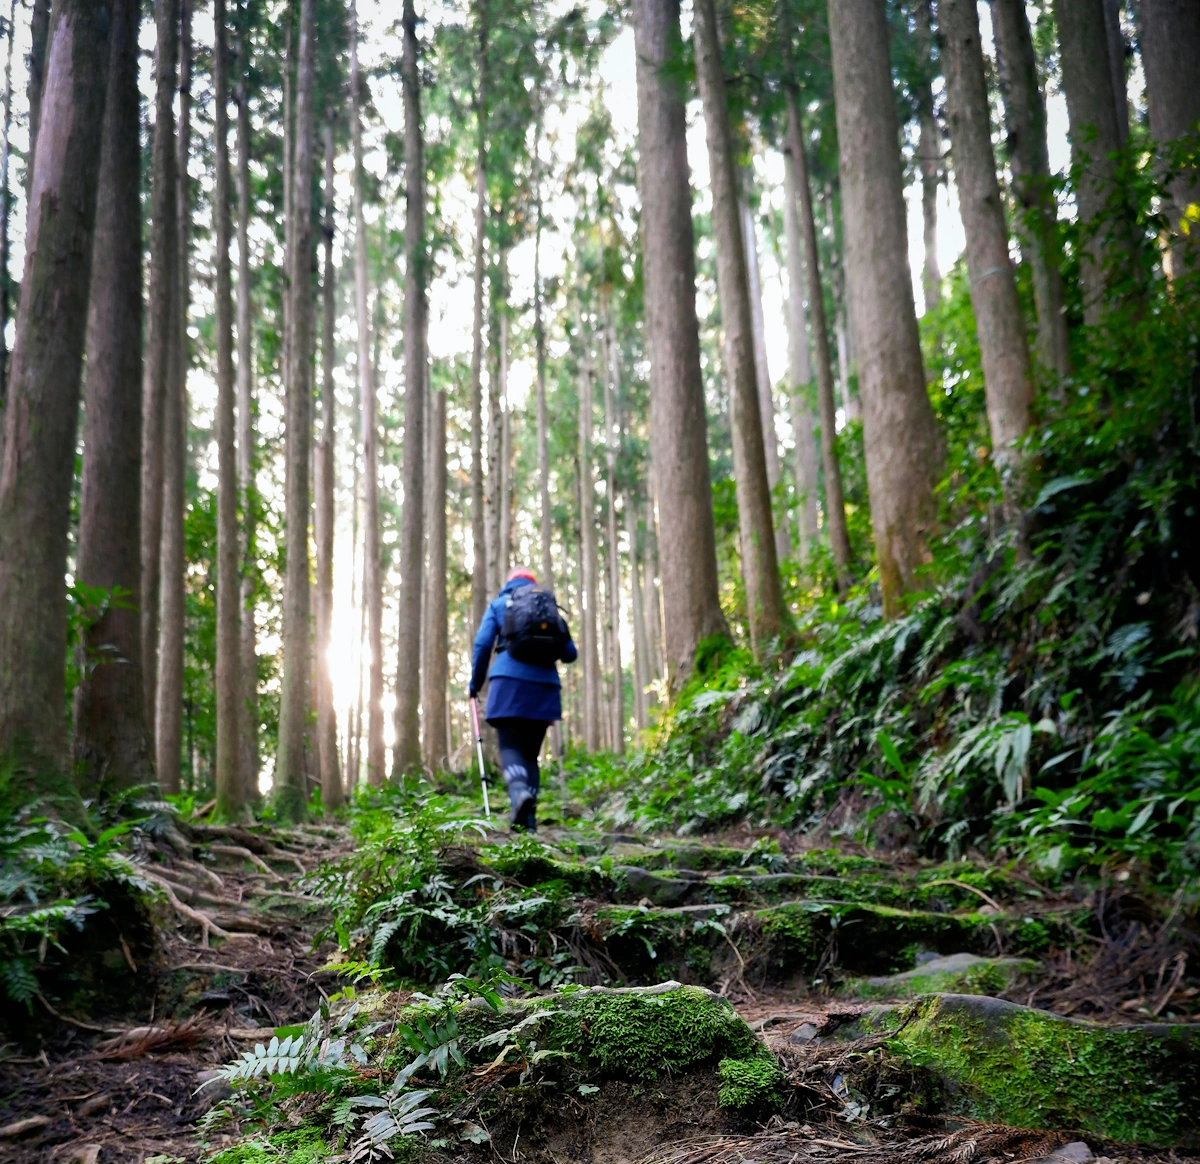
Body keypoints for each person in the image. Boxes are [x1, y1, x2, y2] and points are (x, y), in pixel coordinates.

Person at [469, 568, 577, 831]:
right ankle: (528, 825)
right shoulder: (548, 607)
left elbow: (483, 644)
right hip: (545, 687)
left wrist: (475, 684)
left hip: (508, 683)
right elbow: (570, 653)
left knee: (510, 748)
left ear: (509, 584)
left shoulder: (499, 604)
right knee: (530, 756)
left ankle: (518, 794)